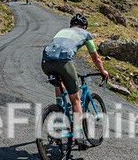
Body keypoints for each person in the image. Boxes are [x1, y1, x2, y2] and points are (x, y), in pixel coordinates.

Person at [41, 14, 109, 150]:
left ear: (71, 25)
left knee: (60, 84)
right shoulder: (86, 34)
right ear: (84, 26)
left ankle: (59, 109)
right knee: (76, 100)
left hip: (45, 63)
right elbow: (95, 57)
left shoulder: (62, 31)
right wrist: (103, 71)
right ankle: (78, 136)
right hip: (64, 62)